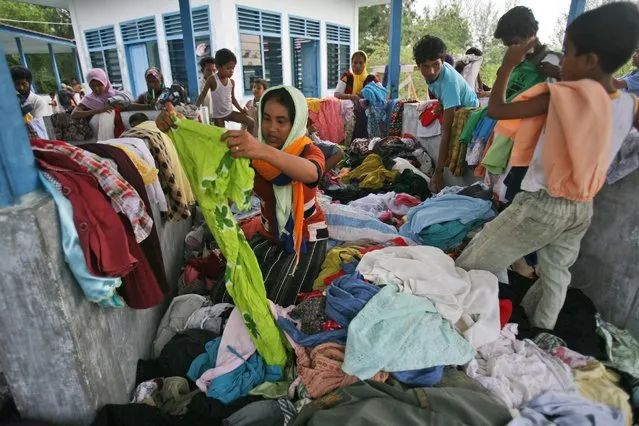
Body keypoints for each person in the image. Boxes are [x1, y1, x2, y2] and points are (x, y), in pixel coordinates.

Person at [456, 2, 639, 330]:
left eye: (567, 53)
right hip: (582, 208)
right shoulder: (629, 102)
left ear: (589, 61)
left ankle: (458, 322)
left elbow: (496, 109)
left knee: (472, 261)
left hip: (543, 204)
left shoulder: (561, 96)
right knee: (555, 276)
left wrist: (507, 67)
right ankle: (540, 332)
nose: (561, 60)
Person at [157, 86, 328, 306]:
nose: (271, 128)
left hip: (303, 239)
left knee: (275, 302)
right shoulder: (250, 151)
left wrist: (260, 151)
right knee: (230, 294)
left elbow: (311, 173)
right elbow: (212, 146)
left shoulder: (307, 151)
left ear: (295, 123)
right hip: (268, 234)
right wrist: (180, 126)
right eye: (266, 119)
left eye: (281, 121)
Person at [414, 35, 479, 193]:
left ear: (443, 60)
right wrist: (441, 103)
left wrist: (438, 172)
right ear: (417, 65)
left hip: (468, 112)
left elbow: (446, 132)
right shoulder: (436, 73)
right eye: (425, 66)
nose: (431, 71)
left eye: (435, 65)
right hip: (451, 103)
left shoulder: (448, 82)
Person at [494, 6, 562, 98]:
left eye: (515, 43)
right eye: (508, 46)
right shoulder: (513, 65)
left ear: (531, 34)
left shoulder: (555, 62)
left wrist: (559, 75)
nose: (511, 50)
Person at [196, 49, 254, 133]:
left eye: (233, 68)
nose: (231, 71)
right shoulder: (212, 80)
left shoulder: (231, 82)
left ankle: (249, 143)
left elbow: (233, 99)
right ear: (218, 67)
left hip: (229, 112)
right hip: (218, 115)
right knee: (222, 136)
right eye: (228, 68)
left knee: (251, 122)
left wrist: (241, 110)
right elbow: (203, 94)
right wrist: (195, 108)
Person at [333, 51, 383, 140]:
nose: (357, 65)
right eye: (355, 62)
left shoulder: (371, 79)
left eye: (361, 63)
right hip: (349, 107)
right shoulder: (347, 76)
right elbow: (337, 94)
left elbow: (382, 93)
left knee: (364, 116)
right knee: (359, 116)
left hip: (366, 108)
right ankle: (356, 145)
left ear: (365, 64)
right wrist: (352, 96)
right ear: (351, 63)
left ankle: (362, 145)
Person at [71, 68, 121, 140]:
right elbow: (74, 114)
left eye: (99, 85)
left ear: (105, 82)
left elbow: (128, 105)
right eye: (92, 86)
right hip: (97, 134)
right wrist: (99, 110)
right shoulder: (88, 99)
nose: (96, 89)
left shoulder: (117, 95)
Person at [199, 57, 216, 122]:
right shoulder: (200, 87)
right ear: (202, 71)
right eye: (209, 70)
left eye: (214, 70)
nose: (212, 73)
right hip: (206, 121)